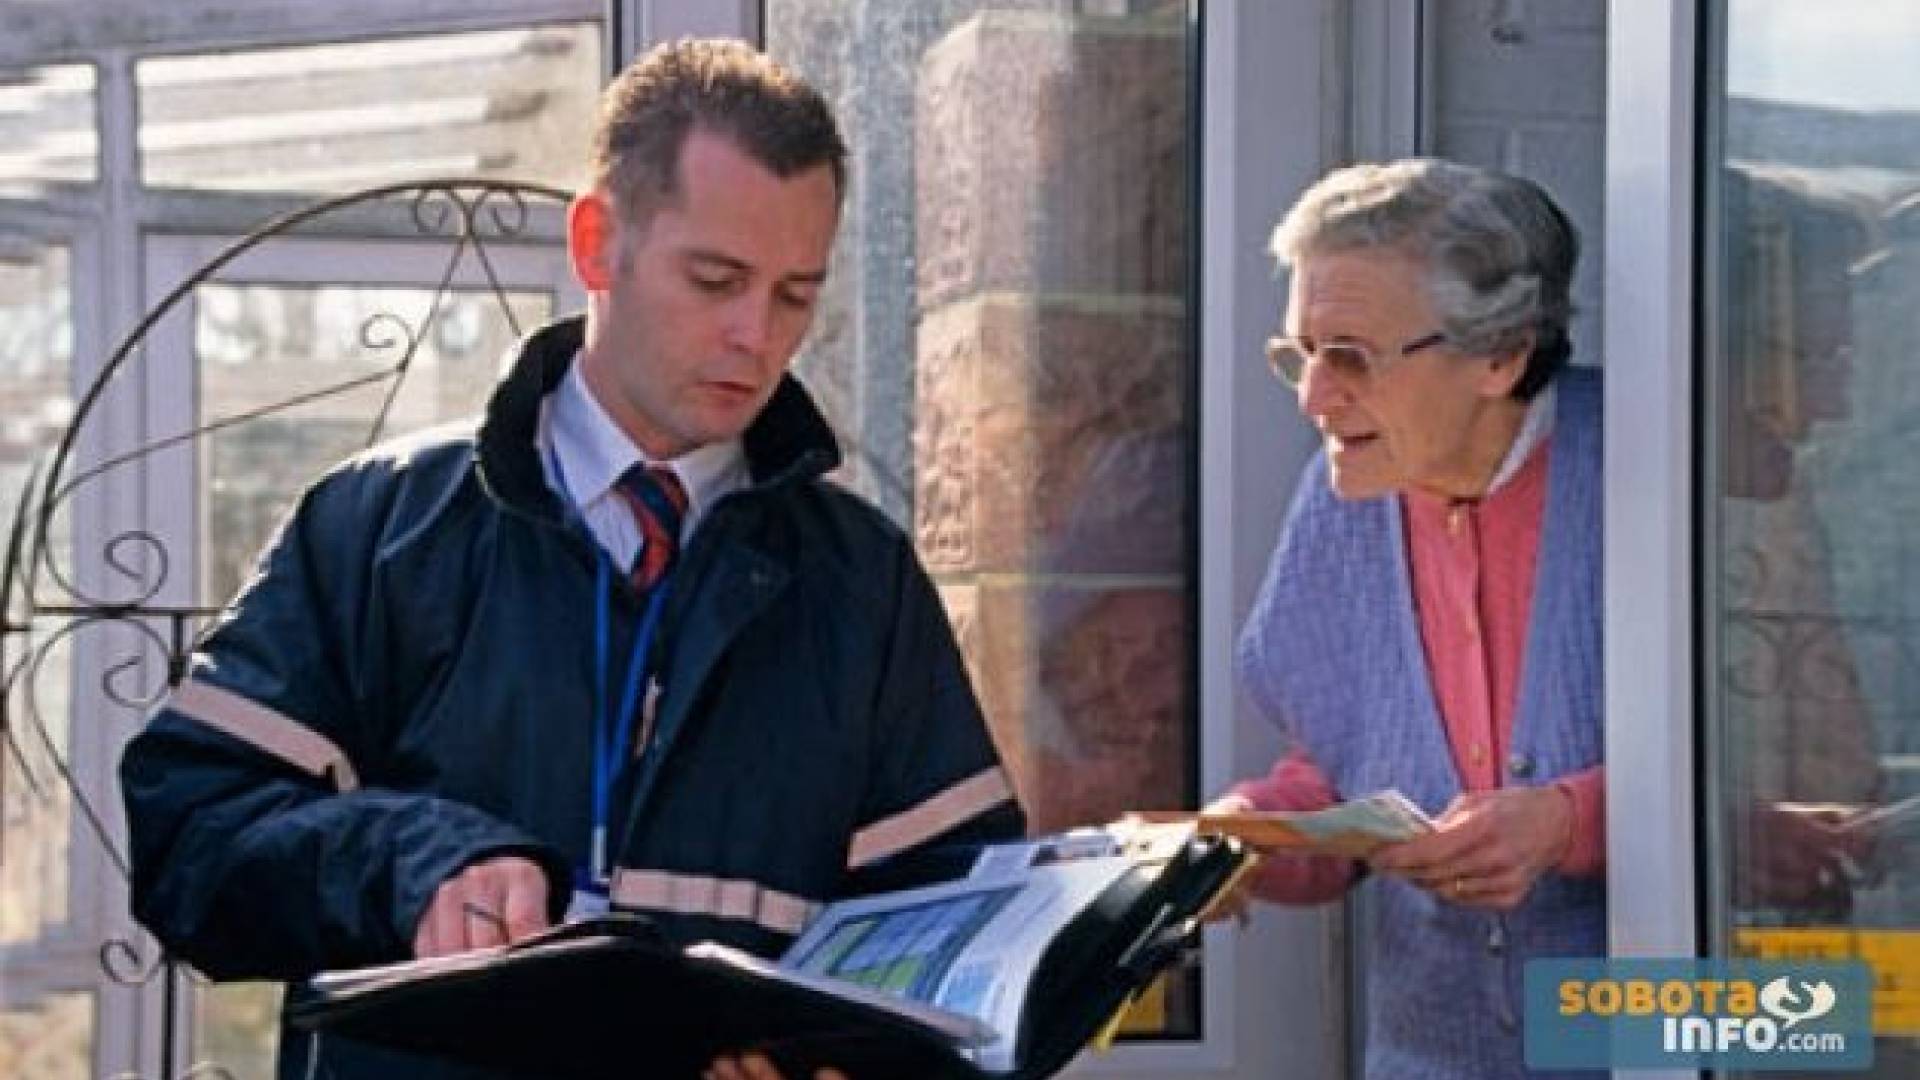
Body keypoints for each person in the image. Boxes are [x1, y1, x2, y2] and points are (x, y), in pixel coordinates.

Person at [119, 38, 1024, 1080]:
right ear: (597, 241)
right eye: (717, 278)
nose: (756, 336)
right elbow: (189, 838)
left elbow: (961, 932)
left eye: (794, 295)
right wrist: (416, 864)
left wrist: (842, 1061)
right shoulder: (376, 529)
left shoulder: (865, 587)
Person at [1209, 158, 1602, 1078]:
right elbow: (1349, 772)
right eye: (1299, 355)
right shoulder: (1342, 497)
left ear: (1499, 355)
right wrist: (1247, 836)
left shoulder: (1663, 471)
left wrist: (1569, 822)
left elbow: (1793, 806)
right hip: (1428, 1056)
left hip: (1662, 1033)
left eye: (1349, 357)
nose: (1312, 398)